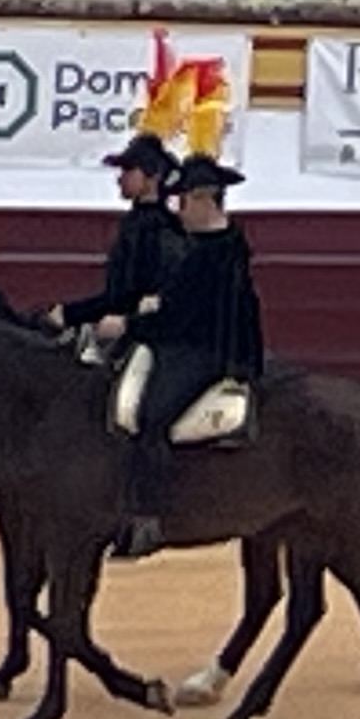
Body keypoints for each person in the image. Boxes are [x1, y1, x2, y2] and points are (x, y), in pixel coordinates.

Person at [116, 153, 262, 556]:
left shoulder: (213, 253)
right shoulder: (220, 245)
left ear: (202, 199)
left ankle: (147, 517)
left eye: (182, 202)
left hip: (203, 354)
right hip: (200, 345)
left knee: (151, 416)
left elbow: (182, 317)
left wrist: (129, 325)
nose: (178, 211)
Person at [53, 130, 184, 349]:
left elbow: (125, 295)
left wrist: (70, 313)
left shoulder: (154, 228)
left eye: (128, 170)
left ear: (152, 176)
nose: (120, 178)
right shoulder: (147, 223)